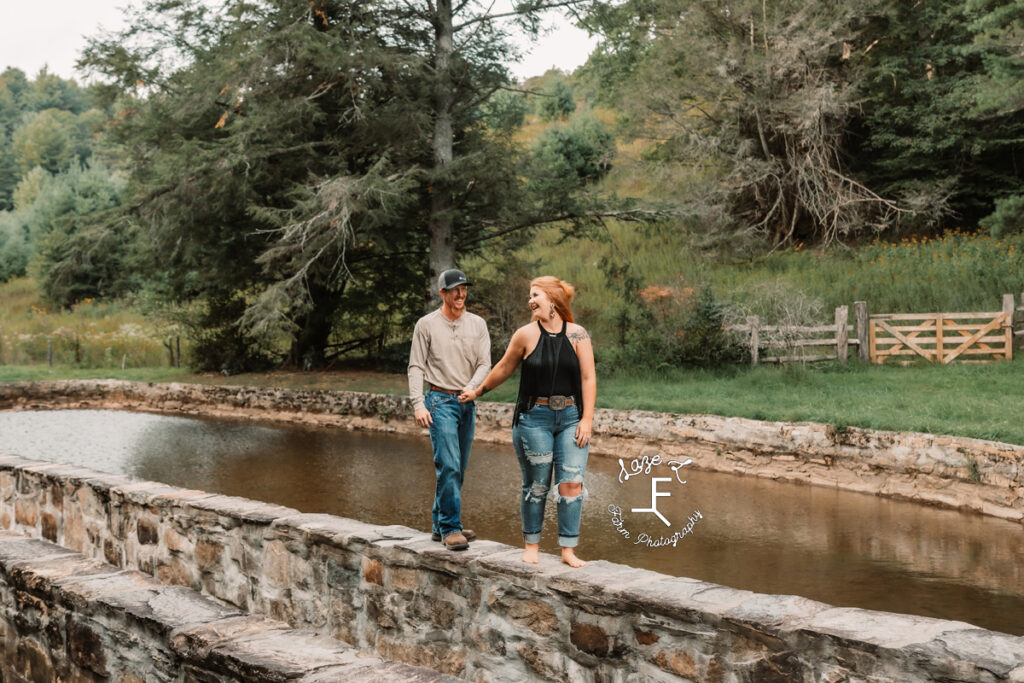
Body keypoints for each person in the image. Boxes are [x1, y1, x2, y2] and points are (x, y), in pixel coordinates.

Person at [459, 276, 595, 568]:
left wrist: (587, 419)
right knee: (537, 484)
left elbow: (588, 377)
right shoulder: (525, 335)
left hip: (572, 417)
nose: (530, 300)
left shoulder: (579, 335)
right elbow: (504, 367)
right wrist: (478, 390)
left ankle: (568, 550)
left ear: (552, 299)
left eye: (535, 295)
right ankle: (531, 544)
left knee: (571, 483)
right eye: (529, 295)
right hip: (534, 418)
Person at [408, 269, 491, 551]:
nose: (461, 294)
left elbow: (484, 364)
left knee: (458, 467)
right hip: (439, 401)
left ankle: (439, 525)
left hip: (467, 402)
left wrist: (473, 388)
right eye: (454, 289)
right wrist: (418, 403)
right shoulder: (426, 325)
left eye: (464, 288)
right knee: (450, 465)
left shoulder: (478, 324)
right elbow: (416, 365)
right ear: (442, 293)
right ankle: (451, 528)